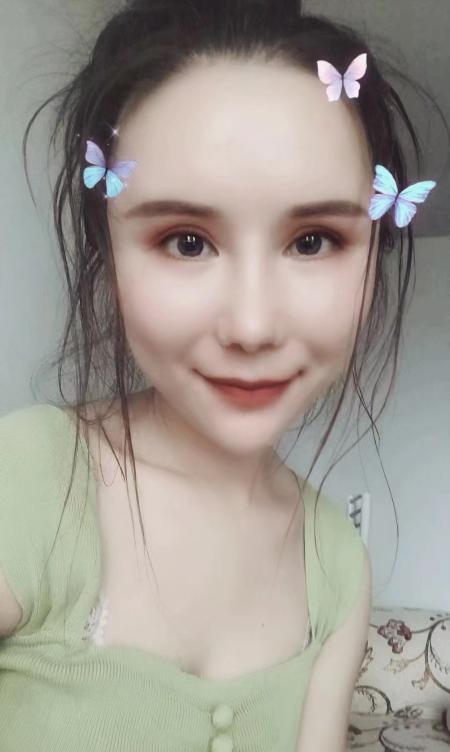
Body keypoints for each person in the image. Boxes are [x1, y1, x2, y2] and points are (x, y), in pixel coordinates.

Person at [0, 1, 440, 750]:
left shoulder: (336, 564)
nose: (252, 326)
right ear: (108, 251)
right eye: (186, 241)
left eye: (313, 241)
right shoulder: (29, 480)